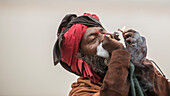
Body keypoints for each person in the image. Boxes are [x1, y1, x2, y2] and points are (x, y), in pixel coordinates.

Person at [53, 13, 170, 96]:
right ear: (80, 57)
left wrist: (138, 61)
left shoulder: (131, 69)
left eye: (104, 33)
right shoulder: (81, 92)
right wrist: (118, 53)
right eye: (93, 39)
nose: (105, 39)